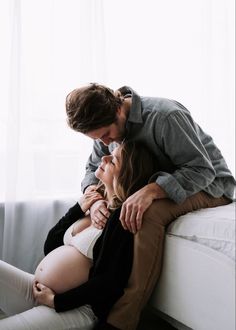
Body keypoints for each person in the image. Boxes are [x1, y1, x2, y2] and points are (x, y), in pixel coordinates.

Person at [65, 83, 236, 330]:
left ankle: (121, 319)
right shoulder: (103, 130)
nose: (105, 143)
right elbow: (91, 169)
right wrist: (94, 199)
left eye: (106, 134)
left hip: (210, 186)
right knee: (105, 212)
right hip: (169, 184)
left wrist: (152, 190)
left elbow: (202, 171)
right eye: (98, 139)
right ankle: (94, 296)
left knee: (147, 213)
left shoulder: (165, 116)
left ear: (118, 111)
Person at [0, 141, 156, 330]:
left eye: (113, 161)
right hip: (37, 290)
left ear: (124, 177)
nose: (104, 157)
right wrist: (79, 207)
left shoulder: (121, 219)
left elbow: (109, 282)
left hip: (74, 309)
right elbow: (50, 245)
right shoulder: (95, 203)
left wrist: (56, 301)